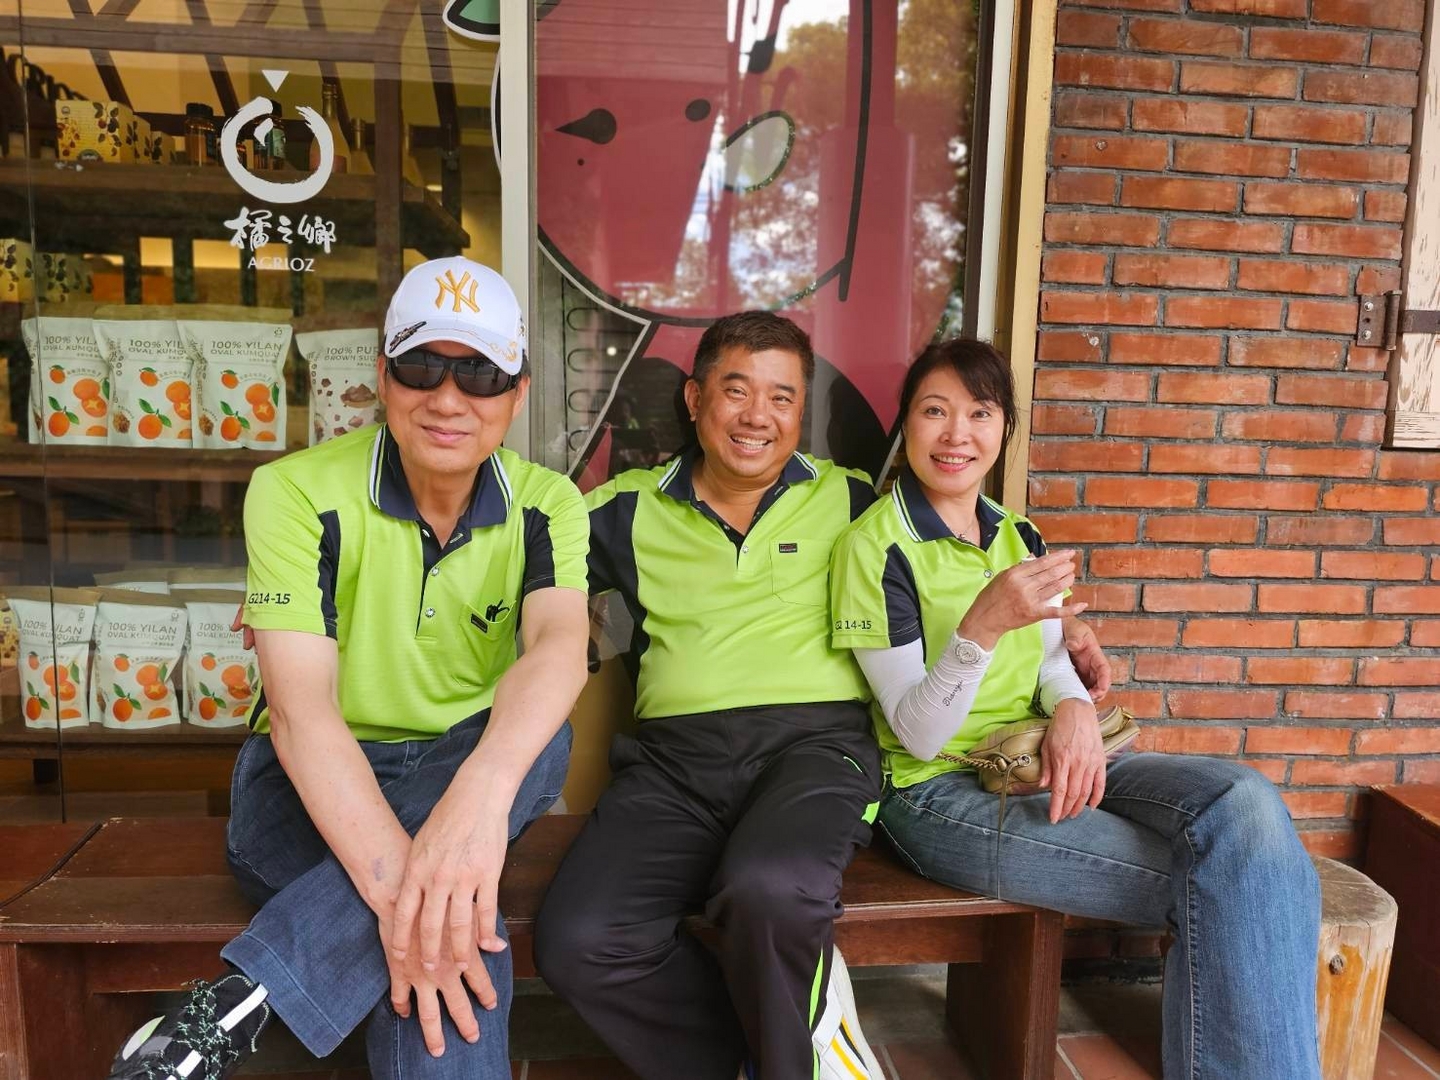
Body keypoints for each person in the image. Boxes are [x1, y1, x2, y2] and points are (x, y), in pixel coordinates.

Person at [533, 313, 1112, 1079]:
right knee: (577, 940)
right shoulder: (622, 510)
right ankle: (774, 1046)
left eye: (782, 397)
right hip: (674, 765)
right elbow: (525, 582)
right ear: (695, 398)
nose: (758, 416)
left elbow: (955, 569)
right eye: (737, 391)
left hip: (815, 752)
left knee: (768, 891)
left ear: (800, 413)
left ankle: (787, 1044)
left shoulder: (851, 500)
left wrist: (1066, 638)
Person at [107, 257, 590, 1080]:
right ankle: (272, 985)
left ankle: (235, 1004)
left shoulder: (549, 502)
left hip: (458, 769)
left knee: (539, 732)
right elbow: (302, 717)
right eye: (421, 366)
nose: (448, 398)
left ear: (518, 393)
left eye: (480, 374)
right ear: (382, 377)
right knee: (452, 932)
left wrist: (474, 803)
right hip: (305, 785)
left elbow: (557, 648)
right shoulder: (294, 492)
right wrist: (428, 883)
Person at [829, 338, 1322, 1080]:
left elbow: (1055, 661)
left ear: (1004, 428)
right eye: (935, 411)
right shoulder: (874, 547)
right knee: (1248, 879)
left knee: (1244, 803)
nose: (957, 433)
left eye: (980, 413)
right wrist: (982, 625)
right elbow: (918, 734)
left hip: (1038, 754)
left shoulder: (1018, 535)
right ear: (906, 423)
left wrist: (1074, 711)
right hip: (935, 793)